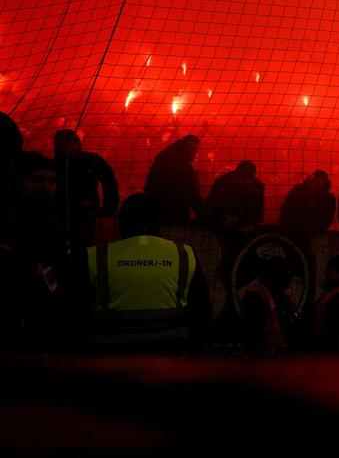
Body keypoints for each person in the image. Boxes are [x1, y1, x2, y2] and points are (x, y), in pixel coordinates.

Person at [85, 193, 211, 347]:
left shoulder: (96, 256)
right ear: (157, 222)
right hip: (173, 349)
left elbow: (76, 310)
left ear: (122, 223)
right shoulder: (184, 254)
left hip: (110, 350)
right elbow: (202, 310)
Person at [1, 152, 73, 347]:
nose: (46, 187)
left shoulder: (55, 224)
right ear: (17, 183)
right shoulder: (7, 227)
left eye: (51, 181)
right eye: (37, 180)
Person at [52, 129, 118, 254]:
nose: (70, 147)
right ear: (57, 147)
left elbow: (109, 181)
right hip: (62, 215)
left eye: (72, 143)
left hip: (89, 215)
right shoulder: (54, 166)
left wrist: (109, 207)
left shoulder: (92, 160)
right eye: (64, 144)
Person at [239, 256, 298, 350]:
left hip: (283, 350)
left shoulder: (285, 295)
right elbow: (252, 329)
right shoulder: (255, 295)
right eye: (286, 274)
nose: (289, 278)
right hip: (263, 351)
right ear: (275, 275)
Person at [145, 134, 203, 223]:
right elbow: (193, 195)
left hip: (153, 211)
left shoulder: (163, 156)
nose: (195, 154)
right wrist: (204, 215)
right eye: (194, 150)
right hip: (175, 215)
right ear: (190, 149)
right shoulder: (185, 168)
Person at [206, 160, 264, 233]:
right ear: (236, 174)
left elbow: (258, 212)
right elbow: (211, 207)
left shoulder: (257, 186)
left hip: (245, 225)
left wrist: (245, 222)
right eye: (242, 177)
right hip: (221, 224)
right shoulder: (223, 183)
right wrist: (220, 219)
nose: (245, 182)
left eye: (248, 178)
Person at [279, 170, 336, 239]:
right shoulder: (329, 198)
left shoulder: (298, 190)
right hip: (307, 234)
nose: (316, 182)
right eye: (315, 180)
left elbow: (285, 211)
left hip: (293, 232)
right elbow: (328, 219)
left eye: (318, 181)